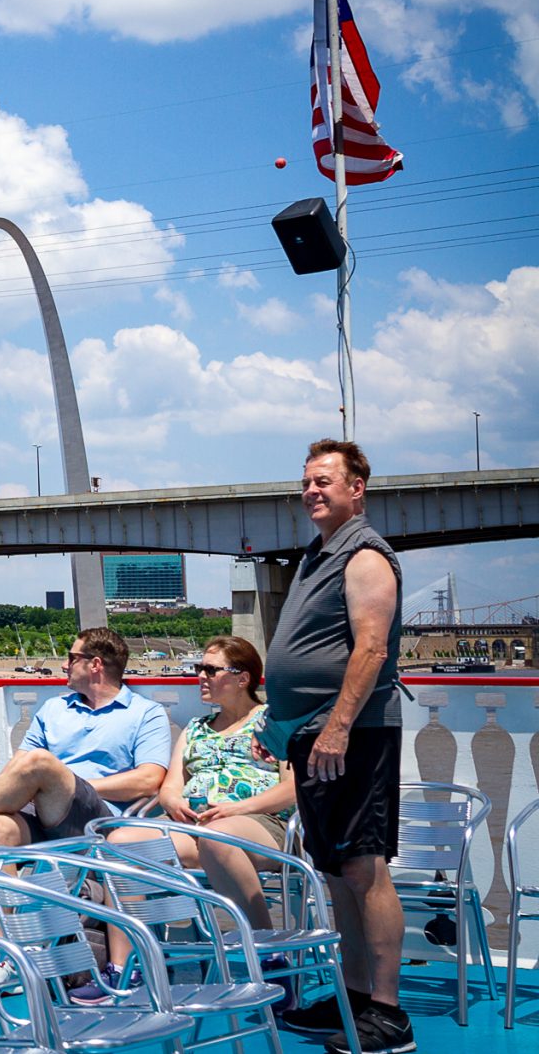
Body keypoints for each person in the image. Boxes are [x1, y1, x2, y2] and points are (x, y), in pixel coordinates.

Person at [261, 440, 409, 1053]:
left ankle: (388, 1014)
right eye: (306, 482)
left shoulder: (365, 555)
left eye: (325, 480)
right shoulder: (317, 553)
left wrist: (338, 726)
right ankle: (351, 997)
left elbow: (371, 650)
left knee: (363, 867)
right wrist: (283, 728)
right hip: (313, 737)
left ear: (357, 489)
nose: (312, 491)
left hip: (354, 735)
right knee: (333, 872)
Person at [99, 635, 295, 995]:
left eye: (211, 669)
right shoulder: (195, 728)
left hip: (261, 825)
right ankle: (124, 969)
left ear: (243, 678)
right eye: (199, 669)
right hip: (194, 827)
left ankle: (270, 954)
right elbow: (171, 785)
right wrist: (173, 803)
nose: (201, 676)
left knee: (217, 839)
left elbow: (293, 788)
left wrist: (239, 808)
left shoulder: (273, 722)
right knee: (119, 843)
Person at [0, 626, 171, 858]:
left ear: (95, 664)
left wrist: (62, 784)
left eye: (72, 657)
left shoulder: (145, 713)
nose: (64, 664)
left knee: (40, 763)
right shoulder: (54, 708)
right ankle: (1, 925)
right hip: (42, 813)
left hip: (97, 820)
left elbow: (148, 781)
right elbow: (18, 766)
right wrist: (46, 787)